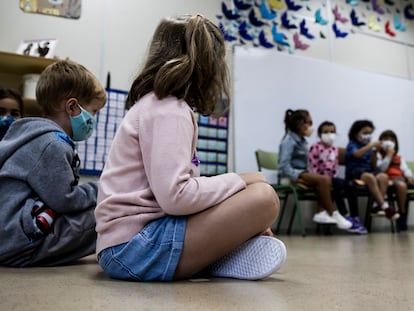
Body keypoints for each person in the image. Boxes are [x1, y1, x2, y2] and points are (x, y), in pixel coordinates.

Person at [95, 14, 286, 282]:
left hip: (131, 245)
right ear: (208, 66)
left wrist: (238, 210)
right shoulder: (169, 110)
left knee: (253, 194)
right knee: (264, 196)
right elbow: (177, 197)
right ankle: (214, 256)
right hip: (133, 249)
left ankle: (211, 254)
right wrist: (241, 180)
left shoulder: (159, 106)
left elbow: (176, 195)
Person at [0, 60, 106, 266]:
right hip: (18, 243)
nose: (94, 119)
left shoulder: (31, 134)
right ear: (72, 106)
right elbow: (64, 200)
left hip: (8, 235)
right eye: (94, 111)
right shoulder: (53, 144)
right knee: (107, 214)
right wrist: (102, 189)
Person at [278, 109, 352, 230]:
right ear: (299, 124)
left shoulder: (301, 141)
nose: (311, 127)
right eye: (309, 123)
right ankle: (334, 213)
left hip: (302, 174)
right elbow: (283, 166)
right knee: (323, 180)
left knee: (325, 181)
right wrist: (297, 177)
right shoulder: (289, 141)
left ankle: (320, 212)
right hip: (290, 176)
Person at [308, 121, 367, 234]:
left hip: (333, 178)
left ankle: (354, 217)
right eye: (326, 132)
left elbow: (335, 166)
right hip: (321, 178)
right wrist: (322, 179)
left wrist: (333, 178)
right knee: (338, 185)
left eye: (332, 131)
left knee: (350, 184)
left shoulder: (335, 149)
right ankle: (344, 214)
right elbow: (313, 165)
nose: (329, 134)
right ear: (319, 134)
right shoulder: (315, 147)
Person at [345, 120, 399, 220]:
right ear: (355, 133)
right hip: (355, 172)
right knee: (370, 177)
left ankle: (376, 206)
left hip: (369, 170)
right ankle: (385, 206)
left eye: (370, 133)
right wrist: (370, 146)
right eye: (365, 133)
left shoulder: (370, 147)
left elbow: (373, 164)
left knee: (383, 176)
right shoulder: (352, 144)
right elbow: (357, 154)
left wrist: (375, 152)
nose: (368, 136)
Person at [376, 129, 413, 230]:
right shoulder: (378, 156)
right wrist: (388, 156)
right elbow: (381, 169)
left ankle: (402, 212)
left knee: (403, 184)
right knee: (401, 185)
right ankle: (402, 214)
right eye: (386, 139)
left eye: (392, 140)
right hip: (387, 180)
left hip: (400, 178)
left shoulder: (399, 157)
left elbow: (405, 169)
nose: (389, 141)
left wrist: (409, 176)